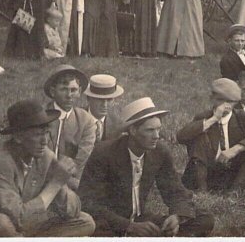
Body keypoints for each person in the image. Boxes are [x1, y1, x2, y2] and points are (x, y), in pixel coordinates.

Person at [78, 97, 214, 236]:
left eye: (158, 129)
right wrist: (128, 226)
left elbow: (175, 190)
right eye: (150, 130)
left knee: (205, 219)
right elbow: (89, 202)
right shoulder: (104, 152)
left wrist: (177, 216)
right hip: (111, 223)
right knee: (97, 230)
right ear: (133, 130)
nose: (156, 136)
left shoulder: (160, 151)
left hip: (141, 219)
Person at [0, 100, 96, 236]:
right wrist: (55, 183)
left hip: (30, 225)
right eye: (37, 135)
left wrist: (61, 184)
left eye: (46, 133)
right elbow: (19, 218)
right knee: (1, 222)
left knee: (85, 222)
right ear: (18, 137)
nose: (45, 141)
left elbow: (72, 211)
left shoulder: (45, 155)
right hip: (2, 229)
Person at [177, 78, 245, 191]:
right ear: (212, 99)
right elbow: (181, 137)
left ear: (235, 102)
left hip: (232, 173)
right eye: (221, 100)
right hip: (206, 172)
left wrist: (236, 149)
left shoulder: (240, 117)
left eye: (230, 101)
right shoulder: (204, 117)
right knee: (199, 136)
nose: (226, 105)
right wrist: (213, 119)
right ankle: (202, 191)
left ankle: (234, 192)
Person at [43, 65, 97, 190]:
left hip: (70, 180)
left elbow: (81, 160)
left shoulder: (86, 121)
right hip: (40, 176)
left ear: (79, 91)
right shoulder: (40, 116)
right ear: (52, 91)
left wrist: (63, 180)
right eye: (63, 89)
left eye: (73, 90)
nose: (69, 95)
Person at [83, 74, 125, 143]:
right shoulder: (76, 119)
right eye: (100, 99)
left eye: (109, 100)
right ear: (88, 98)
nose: (104, 105)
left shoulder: (117, 124)